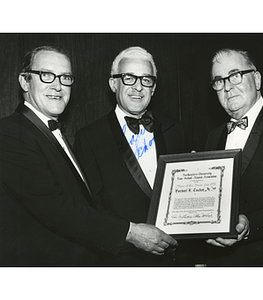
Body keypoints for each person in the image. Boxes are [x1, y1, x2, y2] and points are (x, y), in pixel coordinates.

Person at [0, 45, 178, 266]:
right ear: (25, 81)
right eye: (47, 76)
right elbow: (56, 208)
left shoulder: (51, 133)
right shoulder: (9, 133)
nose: (58, 86)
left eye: (65, 78)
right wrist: (131, 232)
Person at [74, 46, 190, 266]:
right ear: (113, 83)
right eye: (129, 78)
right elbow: (90, 208)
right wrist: (133, 235)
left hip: (175, 260)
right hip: (121, 262)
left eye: (146, 80)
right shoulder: (89, 137)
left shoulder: (176, 130)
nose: (138, 87)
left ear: (153, 88)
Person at [199, 48, 263, 266]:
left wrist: (250, 224)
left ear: (256, 79)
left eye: (235, 75)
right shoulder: (213, 137)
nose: (227, 87)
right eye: (218, 81)